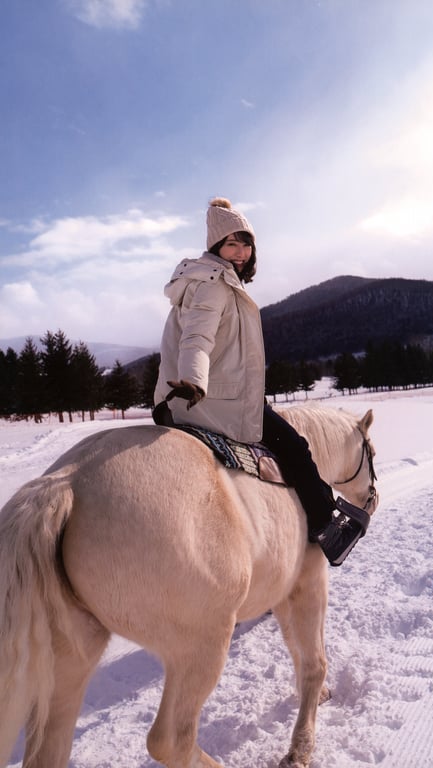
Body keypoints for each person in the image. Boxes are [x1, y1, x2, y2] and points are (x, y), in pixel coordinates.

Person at [153, 197, 369, 566]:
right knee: (297, 449)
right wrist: (192, 378)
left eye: (245, 243)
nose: (239, 252)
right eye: (230, 244)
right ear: (216, 248)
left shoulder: (211, 280)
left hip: (202, 394)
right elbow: (197, 338)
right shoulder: (214, 283)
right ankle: (324, 528)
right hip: (210, 397)